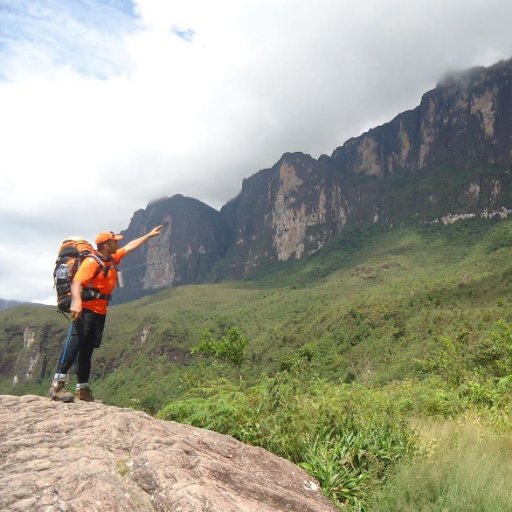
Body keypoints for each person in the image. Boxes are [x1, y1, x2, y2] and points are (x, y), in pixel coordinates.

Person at [48, 225, 163, 402]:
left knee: (86, 350)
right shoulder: (92, 262)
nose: (118, 242)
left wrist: (148, 235)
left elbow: (131, 246)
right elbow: (77, 282)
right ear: (106, 244)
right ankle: (57, 385)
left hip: (100, 311)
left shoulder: (112, 258)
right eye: (114, 241)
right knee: (74, 345)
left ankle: (82, 390)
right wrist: (77, 303)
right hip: (85, 310)